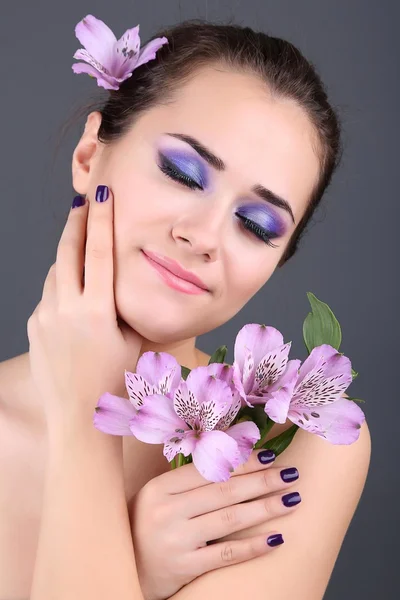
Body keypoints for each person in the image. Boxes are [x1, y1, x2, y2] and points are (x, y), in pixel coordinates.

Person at [0, 17, 371, 600]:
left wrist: (82, 424)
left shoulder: (298, 441)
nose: (203, 236)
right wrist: (140, 578)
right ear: (89, 154)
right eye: (180, 172)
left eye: (256, 225)